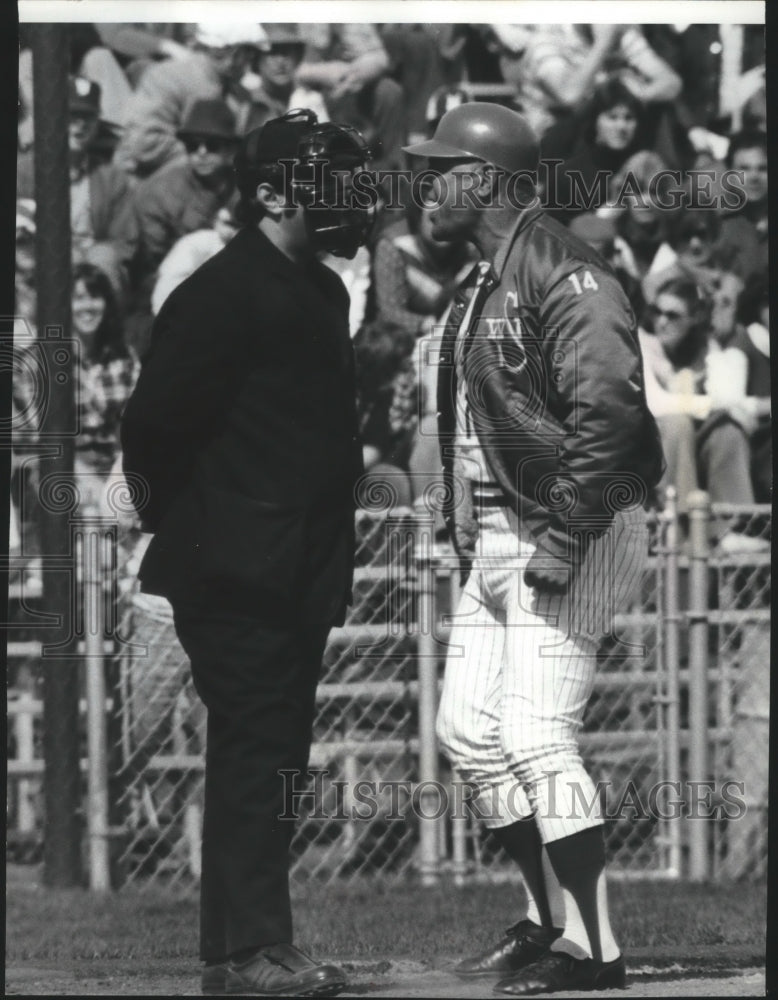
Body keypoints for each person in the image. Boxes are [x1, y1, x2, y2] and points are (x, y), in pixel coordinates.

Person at [404, 104, 664, 995]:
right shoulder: (485, 277)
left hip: (572, 531)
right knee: (469, 732)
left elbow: (613, 422)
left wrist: (562, 536)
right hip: (504, 531)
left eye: (439, 168)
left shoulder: (567, 274)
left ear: (481, 179)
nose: (425, 183)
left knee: (535, 735)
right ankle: (548, 920)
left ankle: (596, 954)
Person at [121, 109, 372, 997]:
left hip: (296, 566)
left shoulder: (324, 287)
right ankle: (250, 952)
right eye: (323, 179)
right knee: (256, 750)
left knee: (273, 757)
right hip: (232, 566)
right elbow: (149, 430)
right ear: (269, 193)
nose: (348, 196)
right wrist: (201, 525)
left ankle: (243, 951)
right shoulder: (221, 291)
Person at [638, 277, 765, 552]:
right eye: (657, 312)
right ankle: (681, 527)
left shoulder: (706, 350)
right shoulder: (642, 344)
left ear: (694, 318)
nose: (661, 321)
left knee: (727, 430)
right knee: (677, 423)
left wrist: (724, 407)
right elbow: (656, 404)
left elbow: (730, 401)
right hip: (647, 447)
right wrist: (712, 404)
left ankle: (729, 530)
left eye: (673, 315)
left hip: (687, 453)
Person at [17, 76, 140, 295]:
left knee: (106, 261)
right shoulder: (23, 171)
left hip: (93, 268)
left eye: (88, 117)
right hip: (36, 262)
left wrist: (93, 259)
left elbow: (124, 241)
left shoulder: (112, 178)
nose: (80, 125)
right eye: (72, 116)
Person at [113, 22, 267, 177]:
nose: (249, 64)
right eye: (249, 54)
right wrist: (211, 154)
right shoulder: (168, 78)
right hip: (144, 181)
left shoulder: (239, 94)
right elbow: (145, 143)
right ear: (231, 54)